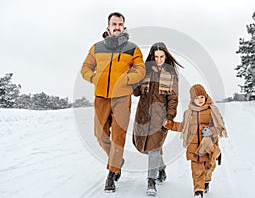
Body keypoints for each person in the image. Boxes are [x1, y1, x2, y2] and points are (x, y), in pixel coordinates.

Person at [80, 12, 146, 193]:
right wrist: (93, 78)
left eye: (120, 24)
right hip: (101, 97)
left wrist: (126, 80)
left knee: (118, 136)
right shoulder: (96, 48)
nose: (117, 27)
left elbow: (140, 70)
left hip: (122, 98)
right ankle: (116, 159)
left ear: (124, 27)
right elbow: (85, 68)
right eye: (114, 24)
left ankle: (112, 173)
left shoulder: (132, 48)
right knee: (99, 134)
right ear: (108, 26)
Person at [132, 42, 183, 196]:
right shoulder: (145, 71)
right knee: (147, 148)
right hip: (143, 114)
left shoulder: (171, 74)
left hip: (160, 116)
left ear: (166, 56)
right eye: (156, 56)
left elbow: (173, 98)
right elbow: (136, 93)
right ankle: (161, 168)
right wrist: (134, 81)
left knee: (154, 148)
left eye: (162, 56)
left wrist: (170, 116)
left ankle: (151, 181)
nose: (159, 59)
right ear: (152, 57)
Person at [165, 84, 227, 198]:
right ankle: (198, 191)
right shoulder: (188, 113)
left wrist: (211, 131)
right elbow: (184, 127)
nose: (200, 100)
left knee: (208, 169)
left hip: (208, 147)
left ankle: (206, 181)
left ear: (206, 97)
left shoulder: (212, 110)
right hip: (194, 149)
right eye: (197, 98)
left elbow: (220, 127)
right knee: (197, 171)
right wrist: (170, 125)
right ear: (192, 99)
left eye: (202, 97)